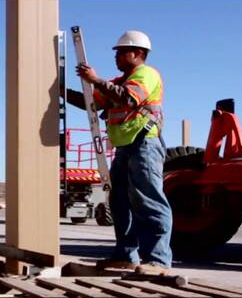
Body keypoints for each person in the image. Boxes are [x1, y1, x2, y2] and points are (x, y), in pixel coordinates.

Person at [66, 30, 172, 275]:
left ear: (138, 53)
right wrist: (60, 90)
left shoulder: (147, 74)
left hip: (144, 144)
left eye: (122, 52)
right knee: (120, 202)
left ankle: (158, 261)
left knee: (148, 200)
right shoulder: (117, 81)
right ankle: (126, 255)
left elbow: (130, 100)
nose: (117, 56)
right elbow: (89, 103)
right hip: (125, 148)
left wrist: (95, 80)